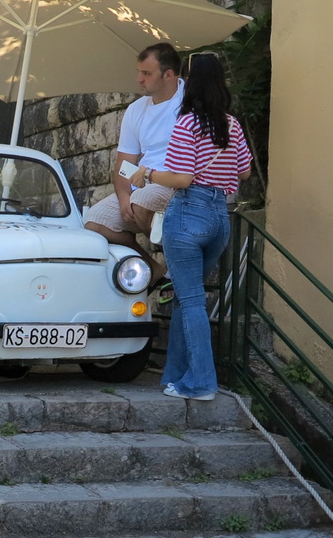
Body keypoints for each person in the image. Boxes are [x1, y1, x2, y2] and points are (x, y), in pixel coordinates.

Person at [130, 52, 253, 401]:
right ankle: (175, 377)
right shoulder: (232, 124)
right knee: (188, 299)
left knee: (192, 302)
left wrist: (148, 173)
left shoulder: (187, 123)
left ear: (191, 83)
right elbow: (243, 172)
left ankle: (201, 382)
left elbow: (182, 179)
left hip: (188, 215)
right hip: (219, 217)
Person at [84, 42, 185, 260]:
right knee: (95, 222)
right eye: (139, 72)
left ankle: (177, 265)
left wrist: (135, 197)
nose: (139, 79)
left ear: (168, 75)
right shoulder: (136, 109)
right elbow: (124, 163)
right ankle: (153, 269)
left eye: (147, 73)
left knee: (141, 201)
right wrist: (122, 196)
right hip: (141, 184)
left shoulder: (190, 102)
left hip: (177, 182)